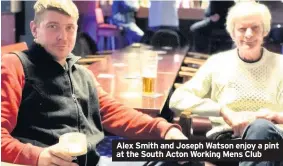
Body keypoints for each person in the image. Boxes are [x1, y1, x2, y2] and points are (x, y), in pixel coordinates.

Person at [1, 0, 189, 166]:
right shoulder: (15, 65)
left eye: (69, 28)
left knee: (190, 153)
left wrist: (164, 130)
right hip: (62, 161)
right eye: (52, 26)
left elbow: (113, 111)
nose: (63, 36)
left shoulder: (82, 73)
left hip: (98, 157)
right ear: (35, 29)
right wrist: (38, 156)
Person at [170, 2, 283, 166]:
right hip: (228, 141)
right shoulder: (217, 63)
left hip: (273, 138)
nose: (249, 34)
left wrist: (275, 116)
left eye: (255, 28)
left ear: (265, 31)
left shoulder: (280, 64)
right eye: (242, 29)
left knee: (260, 129)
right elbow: (177, 100)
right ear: (232, 33)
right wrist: (223, 111)